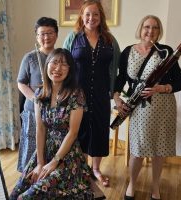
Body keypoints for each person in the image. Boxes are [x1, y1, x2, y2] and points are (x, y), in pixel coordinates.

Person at [113, 15, 181, 200]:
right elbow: (121, 79)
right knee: (137, 151)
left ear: (159, 31)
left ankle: (155, 187)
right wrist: (117, 98)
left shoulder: (166, 52)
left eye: (155, 28)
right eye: (147, 27)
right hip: (139, 108)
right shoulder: (128, 52)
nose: (150, 31)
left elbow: (180, 82)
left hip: (163, 107)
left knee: (159, 151)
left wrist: (162, 88)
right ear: (140, 28)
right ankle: (132, 184)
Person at [10, 48, 95, 199]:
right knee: (16, 192)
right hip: (45, 151)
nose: (57, 68)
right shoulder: (40, 94)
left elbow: (73, 132)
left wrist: (54, 162)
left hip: (66, 155)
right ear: (47, 65)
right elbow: (41, 129)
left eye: (64, 64)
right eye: (54, 62)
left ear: (70, 69)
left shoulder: (76, 94)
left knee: (27, 196)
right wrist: (40, 163)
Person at [63, 0, 120, 187]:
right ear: (82, 16)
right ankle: (82, 169)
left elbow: (115, 68)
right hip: (77, 95)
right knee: (79, 131)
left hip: (102, 95)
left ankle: (96, 169)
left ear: (101, 17)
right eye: (87, 14)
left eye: (95, 14)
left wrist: (114, 93)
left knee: (99, 130)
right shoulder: (72, 38)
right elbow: (63, 65)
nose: (91, 18)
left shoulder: (110, 40)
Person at [16, 17, 58, 172]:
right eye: (42, 34)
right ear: (37, 37)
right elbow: (21, 83)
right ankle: (28, 176)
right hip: (34, 110)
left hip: (55, 111)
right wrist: (35, 99)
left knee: (51, 146)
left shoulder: (61, 57)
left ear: (56, 35)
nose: (46, 37)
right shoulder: (29, 58)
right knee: (31, 144)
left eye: (50, 33)